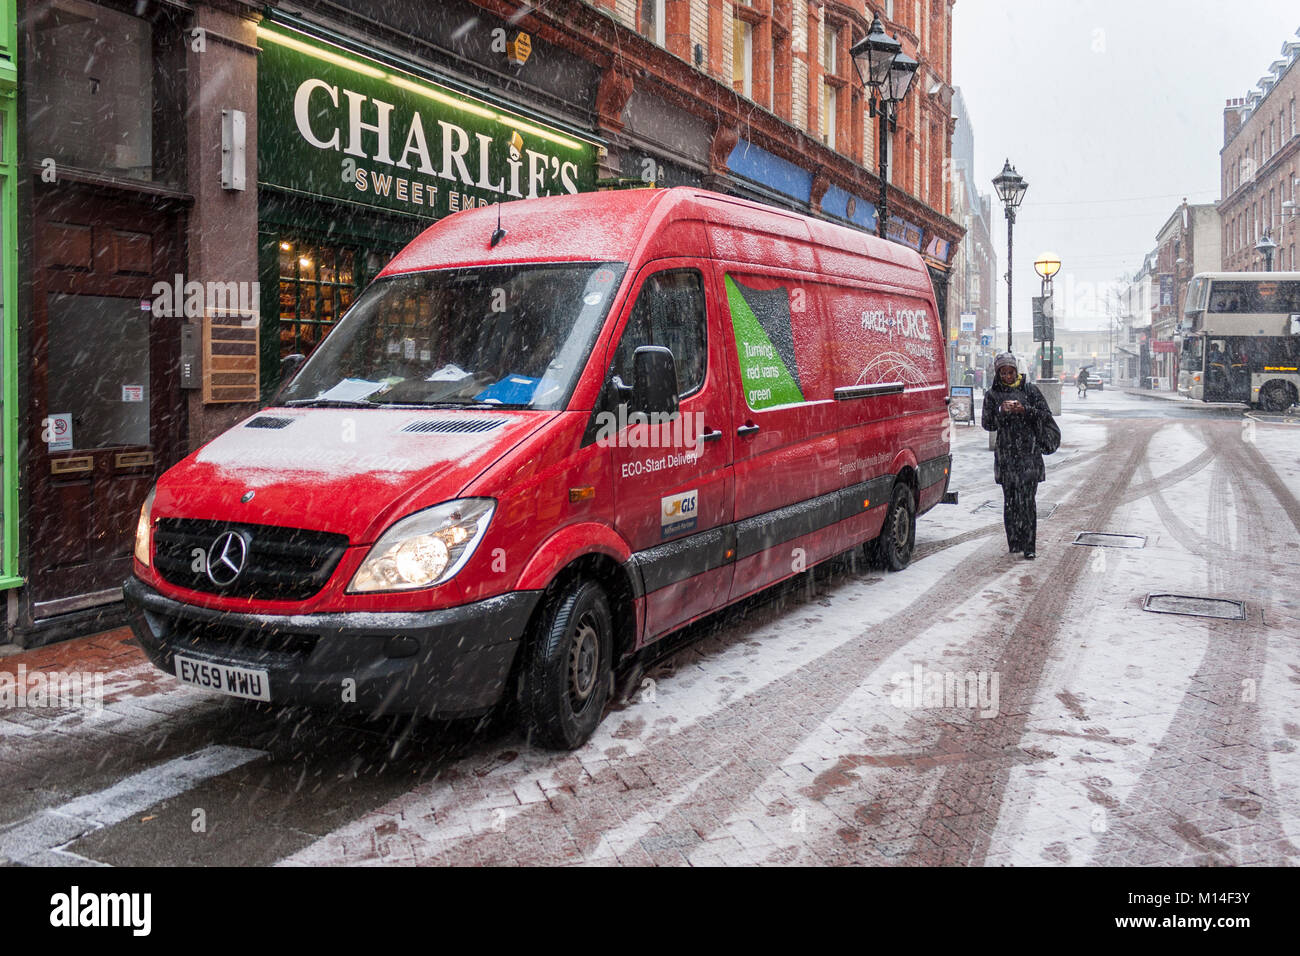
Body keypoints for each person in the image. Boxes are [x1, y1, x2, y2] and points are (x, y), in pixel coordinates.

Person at [982, 352, 1056, 560]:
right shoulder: (992, 395)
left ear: (1017, 371)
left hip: (1029, 454)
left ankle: (1029, 545)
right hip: (1006, 455)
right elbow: (988, 424)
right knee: (1010, 502)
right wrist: (1000, 410)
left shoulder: (1030, 390)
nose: (1007, 376)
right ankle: (1014, 542)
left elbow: (1045, 415)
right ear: (997, 373)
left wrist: (1025, 410)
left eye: (1010, 372)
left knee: (1028, 501)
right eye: (1003, 372)